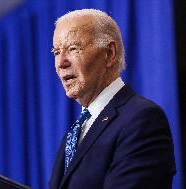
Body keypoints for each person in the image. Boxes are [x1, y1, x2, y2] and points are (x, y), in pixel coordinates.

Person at [49, 9, 176, 189]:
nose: (61, 63)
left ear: (109, 53)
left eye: (73, 49)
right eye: (56, 52)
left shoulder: (141, 119)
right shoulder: (74, 134)